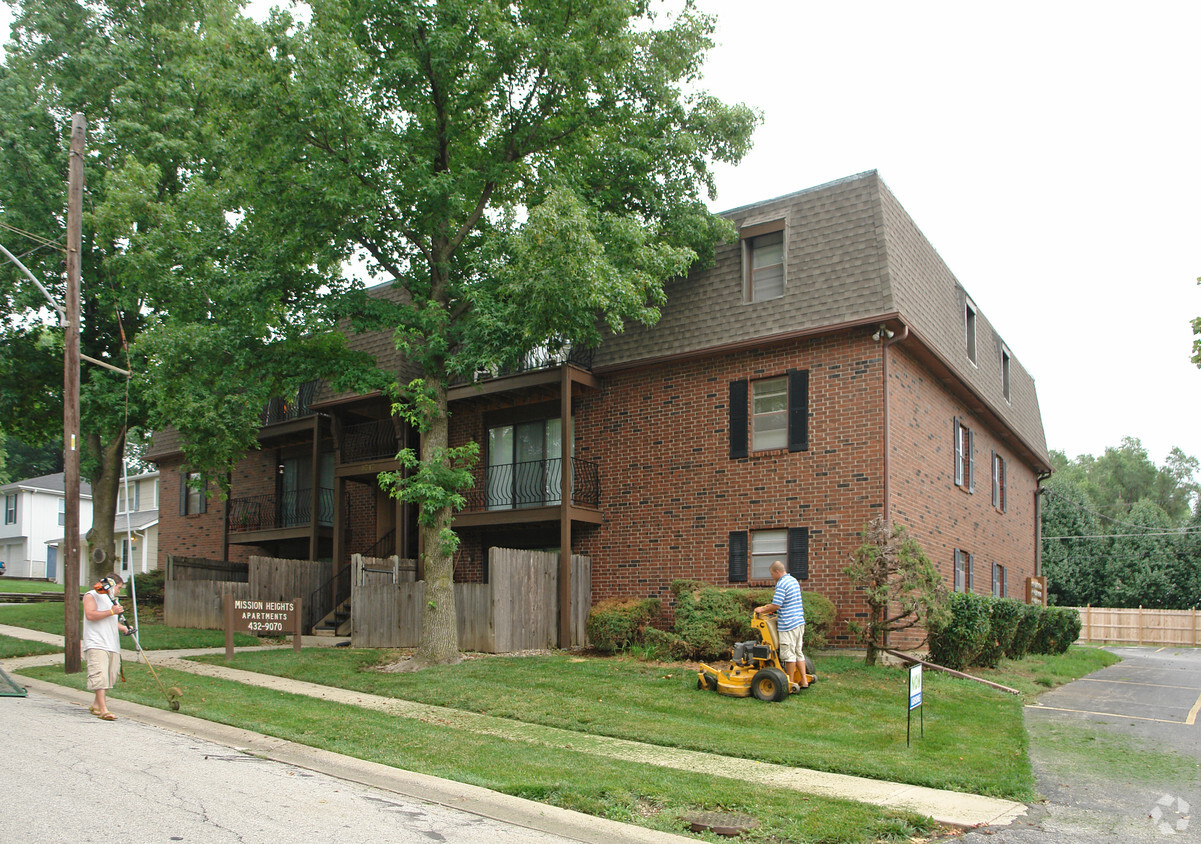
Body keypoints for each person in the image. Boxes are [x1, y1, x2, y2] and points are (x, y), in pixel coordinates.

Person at [754, 560, 808, 690]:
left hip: (788, 624)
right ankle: (804, 680)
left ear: (777, 572)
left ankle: (788, 683)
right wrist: (770, 608)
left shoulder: (781, 584)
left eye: (772, 574)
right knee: (798, 652)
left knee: (788, 654)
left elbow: (777, 604)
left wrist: (761, 610)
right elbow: (784, 603)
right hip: (799, 622)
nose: (772, 577)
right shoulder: (793, 580)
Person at [82, 574, 129, 720]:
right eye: (119, 588)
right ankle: (103, 710)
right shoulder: (91, 596)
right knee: (100, 675)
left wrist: (124, 628)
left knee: (110, 676)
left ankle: (96, 705)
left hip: (112, 643)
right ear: (110, 584)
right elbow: (90, 615)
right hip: (96, 642)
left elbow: (110, 621)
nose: (119, 591)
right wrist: (111, 611)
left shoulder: (113, 600)